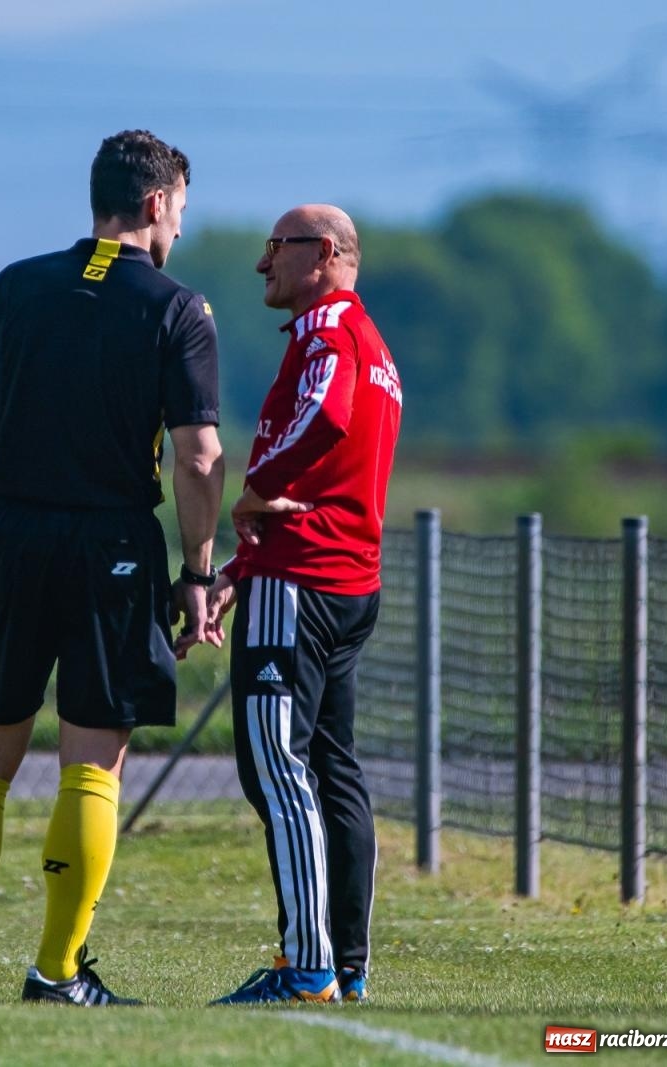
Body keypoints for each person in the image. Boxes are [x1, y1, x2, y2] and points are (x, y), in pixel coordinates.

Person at [0, 130, 225, 1005]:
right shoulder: (178, 307)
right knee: (92, 763)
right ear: (157, 204)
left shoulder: (15, 285)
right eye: (180, 211)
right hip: (114, 549)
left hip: (10, 536)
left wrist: (6, 512)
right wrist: (199, 570)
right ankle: (57, 969)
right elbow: (201, 456)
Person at [206, 205, 402, 1005]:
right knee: (332, 769)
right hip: (342, 580)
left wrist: (252, 496)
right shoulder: (373, 344)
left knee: (275, 767)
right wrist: (240, 560)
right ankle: (345, 964)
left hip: (301, 584)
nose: (262, 264)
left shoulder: (329, 331)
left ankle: (308, 965)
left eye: (275, 249)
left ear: (322, 254)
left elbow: (325, 418)